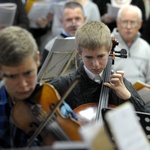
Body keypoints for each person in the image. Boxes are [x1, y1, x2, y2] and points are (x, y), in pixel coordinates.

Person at [0, 26, 77, 148]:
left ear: (37, 59)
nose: (23, 84)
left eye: (28, 73)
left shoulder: (52, 100)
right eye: (12, 76)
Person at [49, 20, 145, 113]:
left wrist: (128, 97)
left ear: (109, 49)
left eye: (100, 56)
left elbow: (144, 117)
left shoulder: (121, 85)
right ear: (79, 53)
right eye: (89, 57)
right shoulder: (64, 85)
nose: (96, 64)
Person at [111, 5, 150, 85]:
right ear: (117, 22)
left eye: (133, 22)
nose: (128, 27)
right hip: (113, 94)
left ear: (140, 24)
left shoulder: (146, 47)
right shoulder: (106, 44)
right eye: (125, 22)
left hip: (140, 96)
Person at [41, 1, 86, 66]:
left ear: (84, 20)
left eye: (77, 19)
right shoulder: (51, 47)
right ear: (61, 22)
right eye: (69, 20)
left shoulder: (92, 43)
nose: (74, 24)